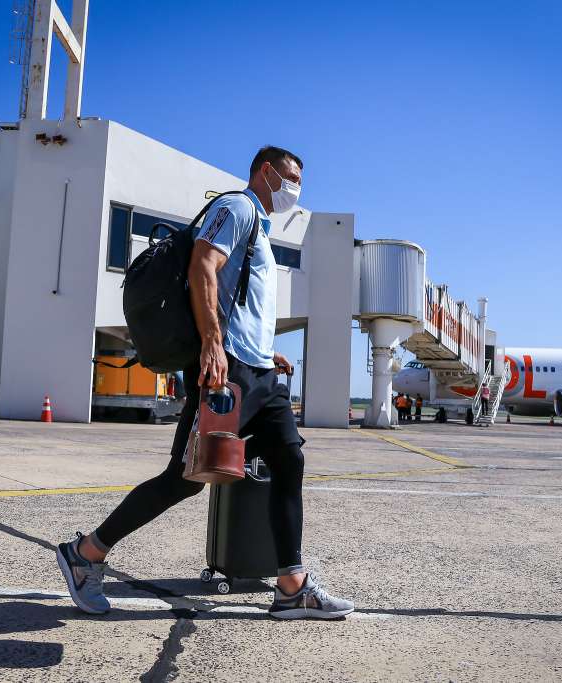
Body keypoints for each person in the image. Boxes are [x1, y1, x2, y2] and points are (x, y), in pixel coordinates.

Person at [56, 146, 354, 620]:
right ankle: (85, 553)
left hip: (258, 371)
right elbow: (201, 266)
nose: (295, 189)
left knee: (288, 458)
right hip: (226, 371)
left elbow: (243, 301)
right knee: (184, 477)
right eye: (291, 177)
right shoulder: (235, 207)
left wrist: (265, 351)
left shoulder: (259, 225)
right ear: (266, 172)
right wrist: (214, 343)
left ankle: (291, 585)